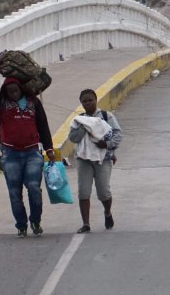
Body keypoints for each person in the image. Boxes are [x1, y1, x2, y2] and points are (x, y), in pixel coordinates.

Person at [0, 65, 55, 237]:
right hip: (11, 155)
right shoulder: (1, 102)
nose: (13, 94)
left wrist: (49, 148)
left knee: (34, 188)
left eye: (15, 90)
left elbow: (43, 126)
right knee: (15, 193)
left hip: (32, 153)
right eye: (9, 91)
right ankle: (21, 225)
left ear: (21, 89)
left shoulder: (33, 102)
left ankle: (36, 220)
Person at [68, 88, 122, 233]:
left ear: (96, 100)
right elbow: (73, 138)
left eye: (90, 100)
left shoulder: (106, 116)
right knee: (83, 191)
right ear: (81, 103)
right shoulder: (79, 120)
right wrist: (85, 127)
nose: (88, 103)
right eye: (84, 101)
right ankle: (86, 223)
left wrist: (107, 144)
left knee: (103, 191)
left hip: (102, 158)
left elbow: (118, 134)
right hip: (83, 159)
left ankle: (107, 211)